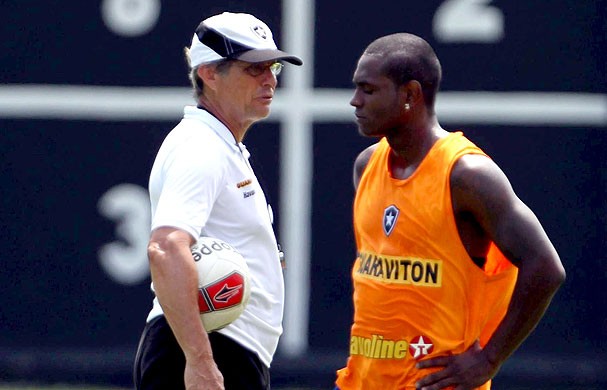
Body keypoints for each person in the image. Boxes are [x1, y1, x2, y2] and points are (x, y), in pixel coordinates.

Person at [335, 33, 566, 390]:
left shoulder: (467, 175)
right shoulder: (367, 166)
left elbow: (546, 267)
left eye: (368, 90)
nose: (355, 101)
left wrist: (489, 359)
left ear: (410, 95)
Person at [133, 12, 302, 390]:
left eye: (272, 66)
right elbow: (164, 248)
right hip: (209, 352)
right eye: (252, 68)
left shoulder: (221, 145)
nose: (270, 79)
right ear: (209, 73)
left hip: (225, 351)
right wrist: (200, 362)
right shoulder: (200, 146)